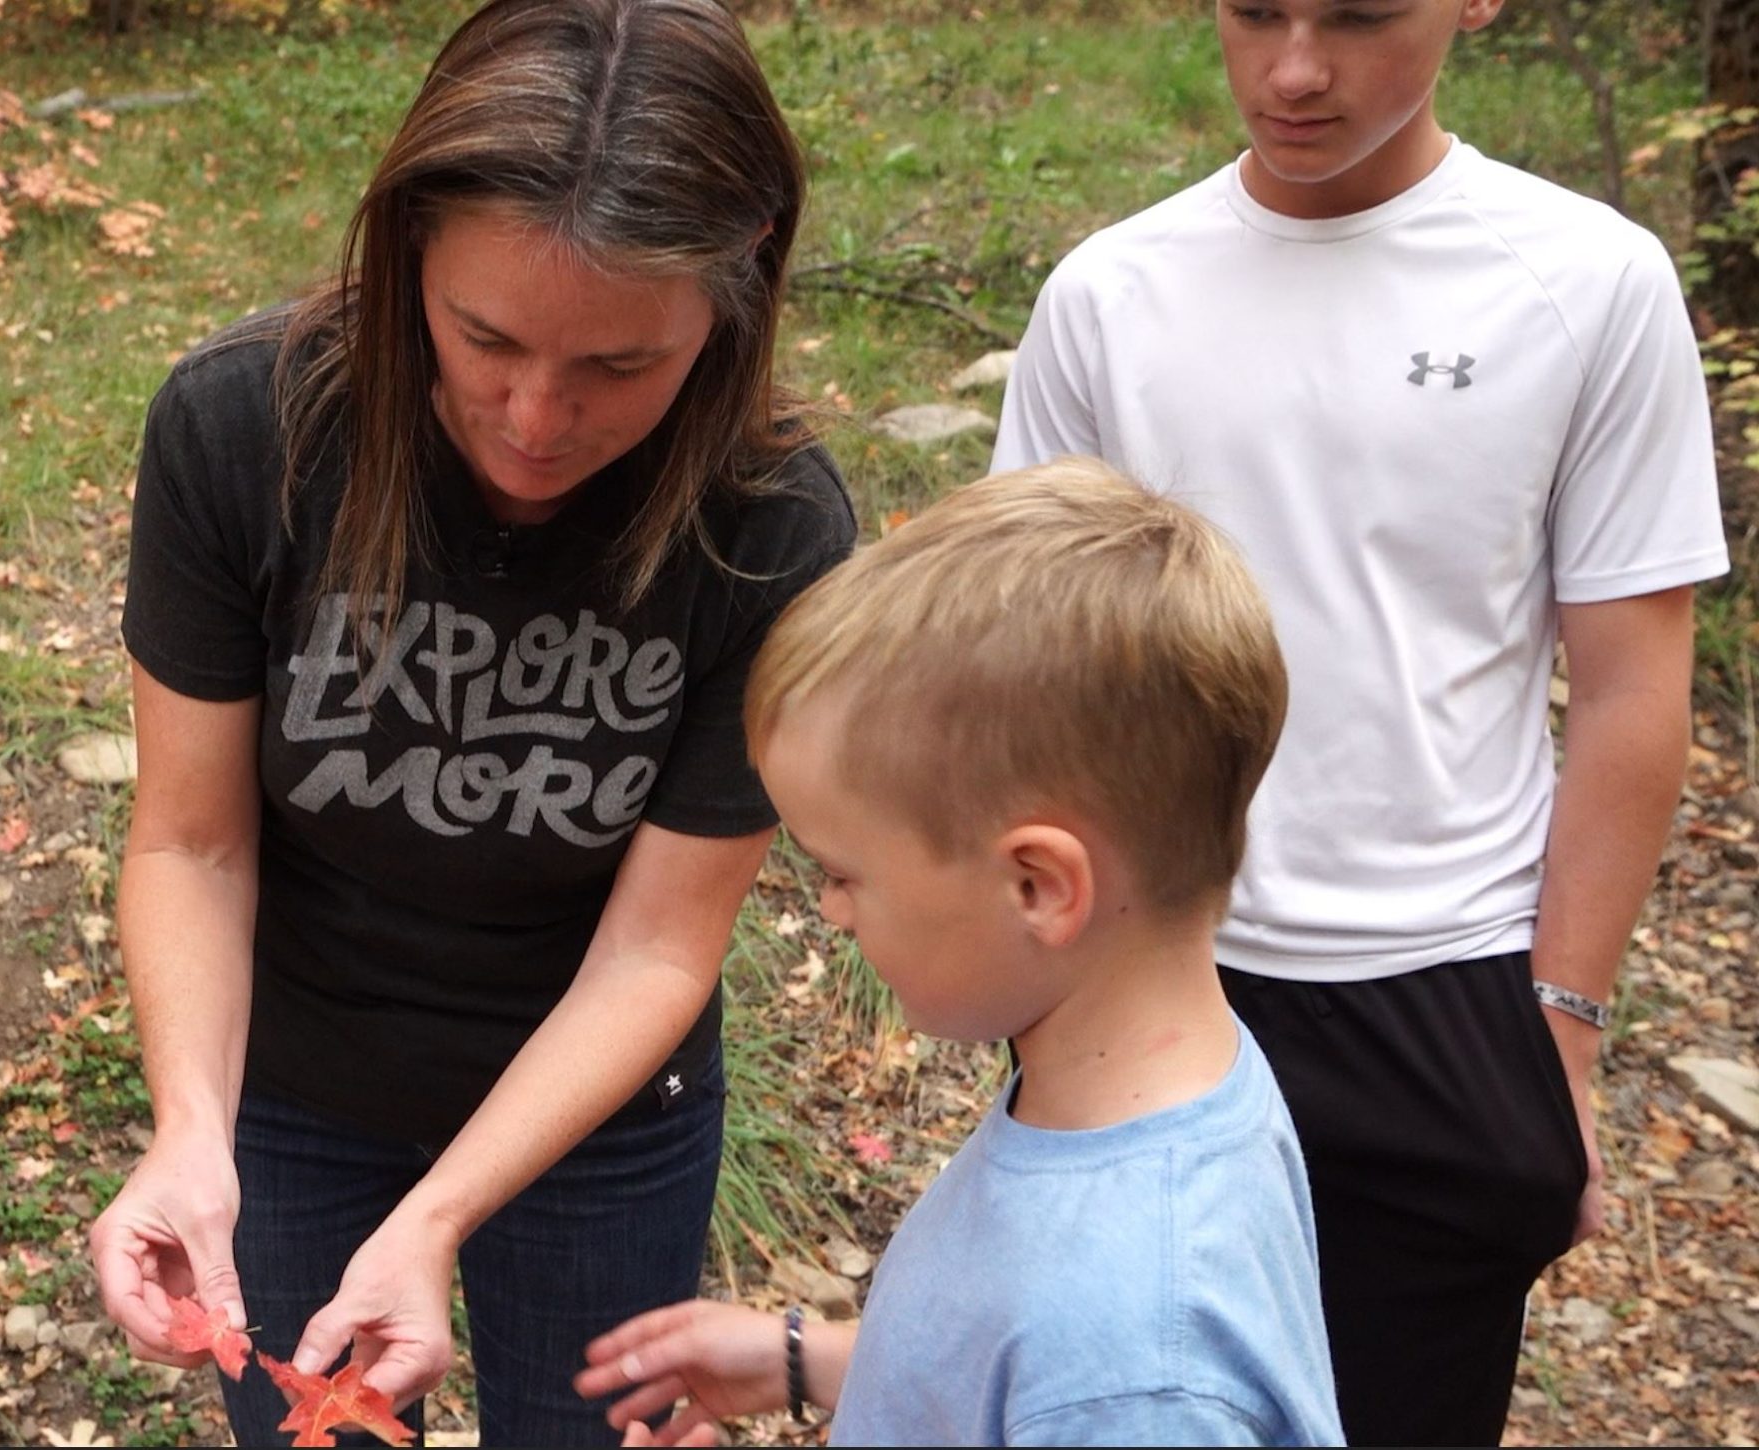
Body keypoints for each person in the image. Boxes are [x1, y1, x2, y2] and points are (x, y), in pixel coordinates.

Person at [85, 0, 855, 1443]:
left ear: (742, 277)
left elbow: (660, 942)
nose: (533, 416)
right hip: (297, 1083)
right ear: (408, 252)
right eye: (482, 335)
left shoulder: (774, 530)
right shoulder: (243, 430)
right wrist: (190, 1129)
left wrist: (439, 1212)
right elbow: (191, 845)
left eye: (620, 365)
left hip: (602, 1112)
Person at [987, 3, 1733, 1444]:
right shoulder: (1112, 292)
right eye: (1254, 10)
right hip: (1153, 970)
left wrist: (1561, 1040)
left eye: (1356, 16)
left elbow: (1636, 687)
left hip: (1442, 988)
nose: (1293, 69)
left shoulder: (1588, 281)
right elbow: (1026, 664)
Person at [577, 460, 1342, 1447]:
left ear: (1037, 886)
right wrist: (815, 1359)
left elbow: (1072, 1369)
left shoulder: (1138, 1369)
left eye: (846, 872)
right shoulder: (1147, 1097)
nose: (831, 910)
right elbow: (1003, 1366)